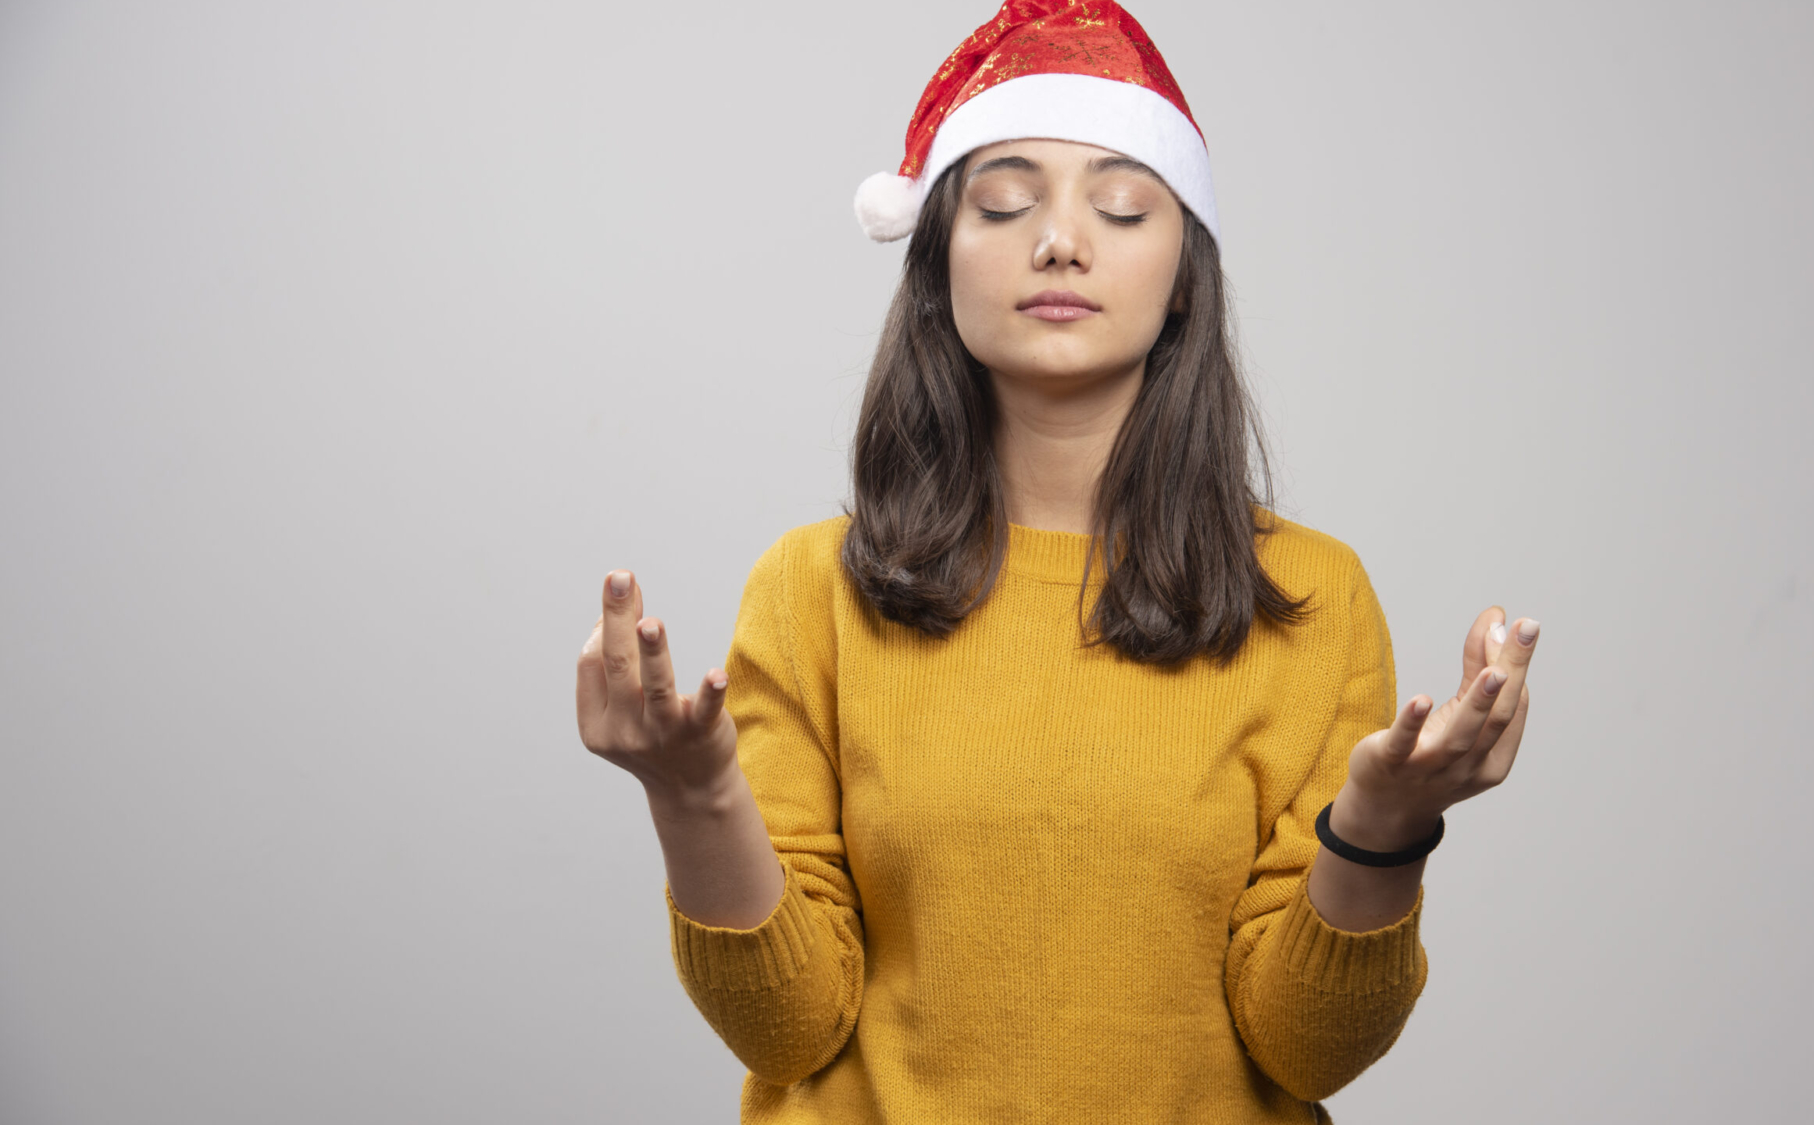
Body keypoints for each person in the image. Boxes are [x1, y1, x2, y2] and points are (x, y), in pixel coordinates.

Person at [573, 3, 1540, 1121]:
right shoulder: (810, 594)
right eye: (1003, 201)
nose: (1060, 240)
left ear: (1185, 272)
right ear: (937, 258)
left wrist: (1380, 830)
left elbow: (1305, 1050)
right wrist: (692, 797)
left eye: (1122, 205)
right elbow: (790, 1029)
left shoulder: (1310, 601)